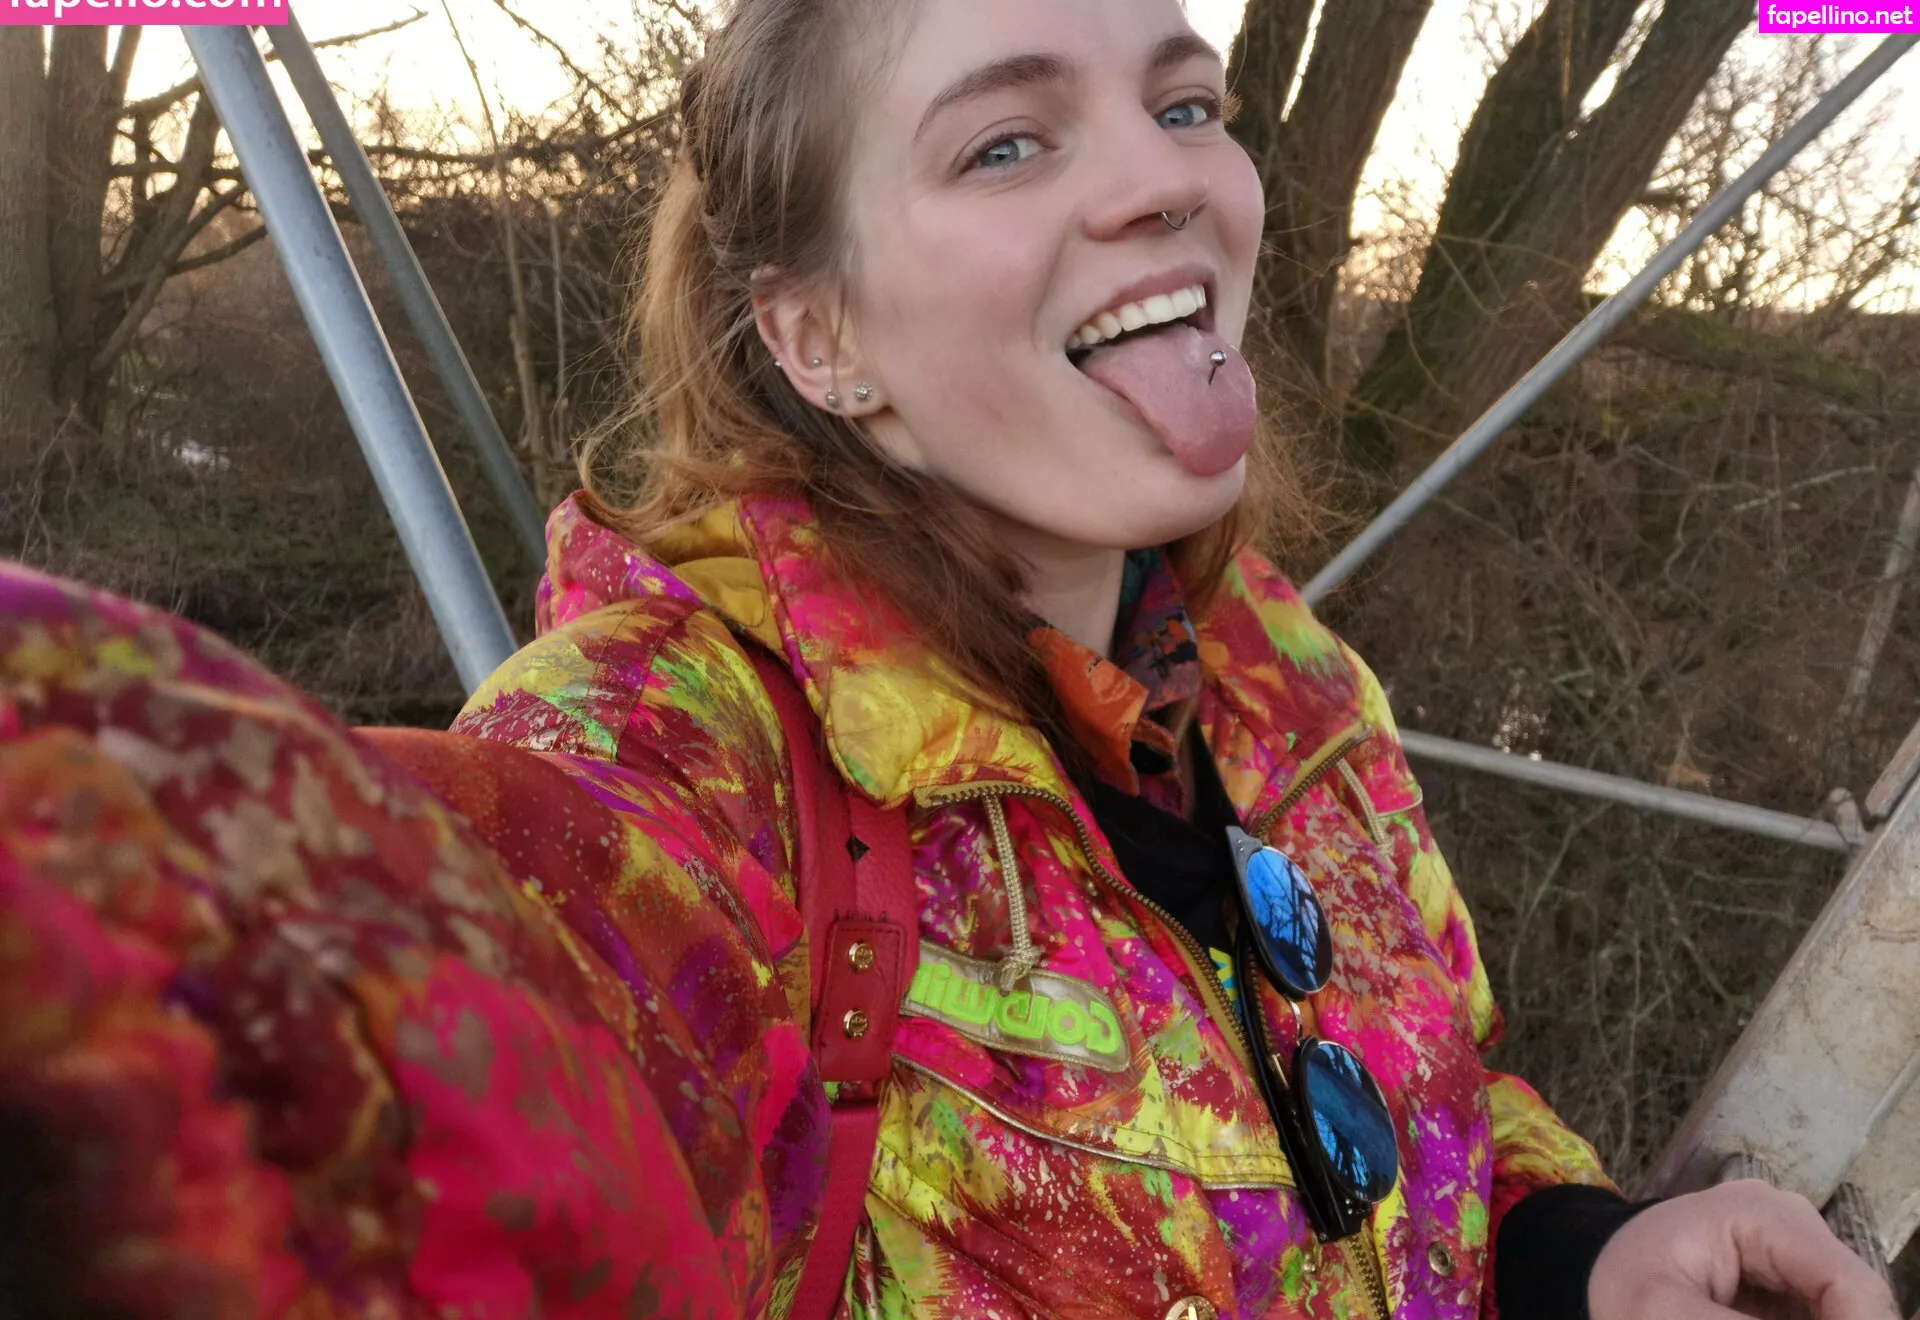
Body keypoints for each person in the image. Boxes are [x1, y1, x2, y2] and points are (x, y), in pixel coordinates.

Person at [0, 0, 1899, 1317]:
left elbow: (1439, 1095)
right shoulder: (685, 755)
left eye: (1186, 106)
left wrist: (1579, 1254)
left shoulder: (1287, 685)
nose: (1165, 178)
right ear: (818, 340)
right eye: (1006, 141)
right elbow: (380, 1019)